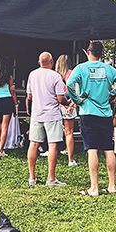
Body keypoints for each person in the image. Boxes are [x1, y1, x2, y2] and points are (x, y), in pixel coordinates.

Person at [66, 40, 116, 197]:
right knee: (108, 149)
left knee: (92, 149)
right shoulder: (109, 69)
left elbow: (69, 84)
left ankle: (94, 187)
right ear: (101, 53)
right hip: (105, 114)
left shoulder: (81, 68)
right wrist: (111, 93)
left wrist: (77, 100)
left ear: (88, 52)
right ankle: (112, 185)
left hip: (87, 113)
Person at [26, 52, 70, 187]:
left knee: (34, 144)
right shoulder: (55, 76)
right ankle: (51, 178)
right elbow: (61, 98)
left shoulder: (32, 74)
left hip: (37, 114)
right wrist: (68, 103)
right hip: (52, 115)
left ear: (39, 62)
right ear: (51, 62)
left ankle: (32, 177)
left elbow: (29, 96)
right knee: (52, 145)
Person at [0, 57, 17, 158]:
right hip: (7, 100)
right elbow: (12, 91)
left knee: (0, 124)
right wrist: (16, 104)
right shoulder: (9, 77)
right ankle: (1, 150)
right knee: (5, 126)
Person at [55, 54, 78, 167]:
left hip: (57, 106)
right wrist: (72, 104)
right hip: (69, 105)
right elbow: (76, 91)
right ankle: (70, 159)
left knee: (54, 131)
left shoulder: (55, 75)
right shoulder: (72, 73)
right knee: (69, 132)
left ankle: (51, 152)